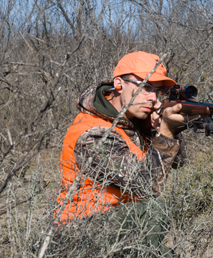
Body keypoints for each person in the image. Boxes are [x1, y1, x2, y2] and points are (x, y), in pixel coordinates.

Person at [56, 51, 197, 257]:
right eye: (146, 87)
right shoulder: (93, 133)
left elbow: (178, 162)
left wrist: (164, 131)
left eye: (158, 92)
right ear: (119, 84)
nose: (152, 98)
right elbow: (147, 185)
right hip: (77, 235)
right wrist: (165, 132)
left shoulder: (134, 123)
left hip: (119, 228)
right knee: (156, 208)